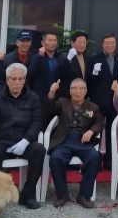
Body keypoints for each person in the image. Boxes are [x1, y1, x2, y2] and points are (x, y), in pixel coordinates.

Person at [0, 63, 45, 210]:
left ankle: (28, 194)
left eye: (20, 79)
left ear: (25, 79)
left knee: (39, 149)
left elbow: (37, 122)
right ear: (7, 79)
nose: (17, 82)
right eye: (13, 79)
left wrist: (26, 141)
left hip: (25, 140)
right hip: (3, 141)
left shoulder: (33, 97)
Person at [45, 78, 105, 209]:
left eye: (81, 88)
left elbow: (100, 122)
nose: (78, 91)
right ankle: (62, 195)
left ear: (85, 91)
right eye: (74, 88)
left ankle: (84, 195)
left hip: (83, 141)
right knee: (56, 158)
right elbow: (50, 108)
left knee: (95, 157)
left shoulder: (92, 107)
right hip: (64, 140)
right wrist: (51, 94)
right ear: (70, 90)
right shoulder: (62, 103)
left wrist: (91, 131)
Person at [86, 33, 118, 170]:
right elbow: (89, 81)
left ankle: (109, 160)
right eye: (107, 43)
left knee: (112, 131)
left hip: (114, 101)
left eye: (112, 43)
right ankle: (95, 160)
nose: (110, 45)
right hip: (98, 101)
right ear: (102, 44)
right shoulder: (94, 59)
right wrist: (95, 73)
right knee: (96, 130)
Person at [28, 32, 59, 127]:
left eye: (54, 40)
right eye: (50, 40)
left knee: (53, 125)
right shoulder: (37, 57)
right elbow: (30, 74)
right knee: (40, 125)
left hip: (55, 98)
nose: (52, 43)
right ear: (43, 43)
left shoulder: (58, 57)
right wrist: (39, 56)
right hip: (40, 98)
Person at [54, 31, 89, 99]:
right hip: (67, 97)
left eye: (84, 42)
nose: (82, 45)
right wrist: (68, 59)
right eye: (80, 42)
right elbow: (58, 73)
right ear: (72, 43)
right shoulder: (64, 57)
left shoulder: (87, 58)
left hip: (82, 96)